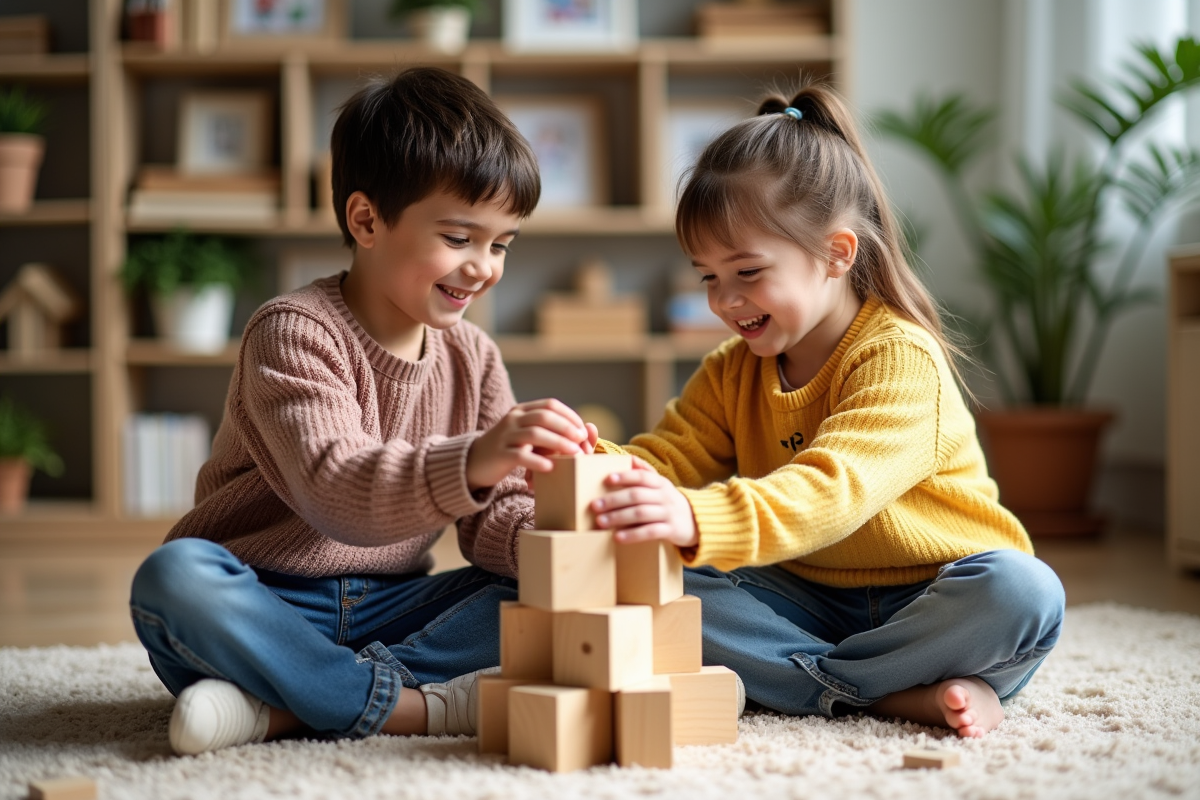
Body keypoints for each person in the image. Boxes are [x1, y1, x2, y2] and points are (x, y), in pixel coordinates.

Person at [129, 66, 591, 756]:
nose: (484, 267)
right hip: (267, 601)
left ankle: (280, 706)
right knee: (172, 579)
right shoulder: (292, 331)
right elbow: (334, 488)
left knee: (554, 597)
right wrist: (474, 457)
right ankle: (415, 710)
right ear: (367, 220)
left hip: (393, 608)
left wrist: (557, 548)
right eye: (460, 239)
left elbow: (494, 516)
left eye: (502, 244)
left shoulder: (475, 356)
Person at [583, 79, 1065, 738]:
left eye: (747, 273)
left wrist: (694, 515)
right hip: (800, 596)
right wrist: (580, 456)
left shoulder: (899, 356)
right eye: (708, 277)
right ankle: (888, 691)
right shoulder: (730, 370)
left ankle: (817, 683)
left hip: (931, 595)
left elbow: (832, 489)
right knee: (645, 573)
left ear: (836, 254)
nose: (724, 301)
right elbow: (663, 461)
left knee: (1024, 593)